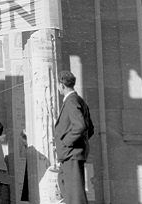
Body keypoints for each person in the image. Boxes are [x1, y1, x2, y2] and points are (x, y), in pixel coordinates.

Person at [54, 71, 94, 204]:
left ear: (62, 85)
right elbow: (90, 129)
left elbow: (80, 126)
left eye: (58, 84)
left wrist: (66, 142)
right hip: (72, 154)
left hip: (71, 154)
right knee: (67, 188)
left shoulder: (71, 101)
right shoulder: (79, 101)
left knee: (75, 197)